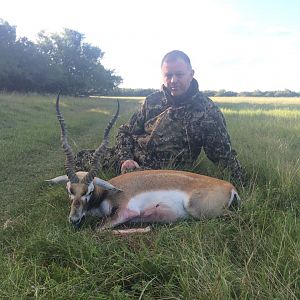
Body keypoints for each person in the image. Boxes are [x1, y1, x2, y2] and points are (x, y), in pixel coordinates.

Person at [75, 50, 244, 183]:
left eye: (179, 74)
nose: (173, 80)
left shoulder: (208, 111)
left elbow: (223, 157)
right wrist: (125, 159)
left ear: (191, 74)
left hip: (166, 174)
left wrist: (242, 184)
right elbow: (125, 132)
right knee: (81, 158)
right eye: (168, 75)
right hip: (132, 161)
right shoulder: (151, 101)